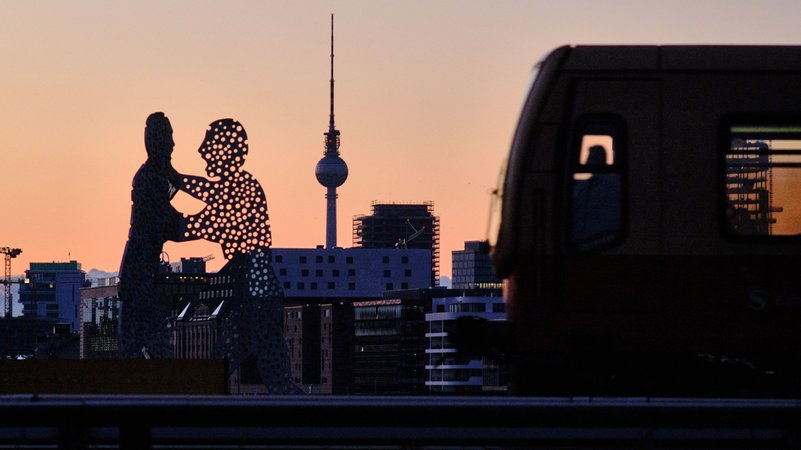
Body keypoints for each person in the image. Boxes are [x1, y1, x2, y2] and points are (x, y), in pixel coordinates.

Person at [174, 118, 295, 393]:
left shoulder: (242, 189)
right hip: (253, 296)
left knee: (266, 376)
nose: (202, 151)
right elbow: (207, 190)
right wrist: (176, 180)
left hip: (257, 297)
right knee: (232, 367)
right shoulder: (238, 186)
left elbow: (197, 224)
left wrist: (171, 193)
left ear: (225, 151)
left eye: (208, 145)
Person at [118, 112, 194, 358]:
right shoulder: (150, 179)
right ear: (158, 142)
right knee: (153, 343)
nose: (173, 144)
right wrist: (212, 224)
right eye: (169, 137)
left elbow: (183, 182)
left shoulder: (157, 173)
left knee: (143, 343)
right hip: (140, 272)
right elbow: (171, 224)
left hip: (141, 270)